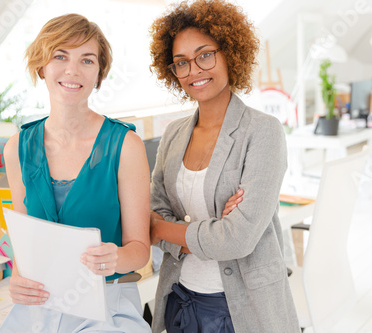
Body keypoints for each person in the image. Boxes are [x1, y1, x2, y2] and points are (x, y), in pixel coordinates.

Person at [148, 0, 300, 332]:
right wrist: (215, 229)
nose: (194, 71)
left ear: (229, 53)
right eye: (181, 62)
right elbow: (153, 209)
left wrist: (163, 230)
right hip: (180, 298)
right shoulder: (174, 133)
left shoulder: (263, 131)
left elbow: (238, 240)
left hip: (242, 308)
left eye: (205, 55)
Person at [1, 14, 152, 332]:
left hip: (106, 303)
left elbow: (139, 250)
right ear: (42, 66)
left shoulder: (125, 145)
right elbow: (25, 244)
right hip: (40, 305)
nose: (72, 70)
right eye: (60, 56)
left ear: (99, 74)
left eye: (87, 60)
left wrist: (116, 259)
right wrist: (17, 278)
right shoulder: (17, 147)